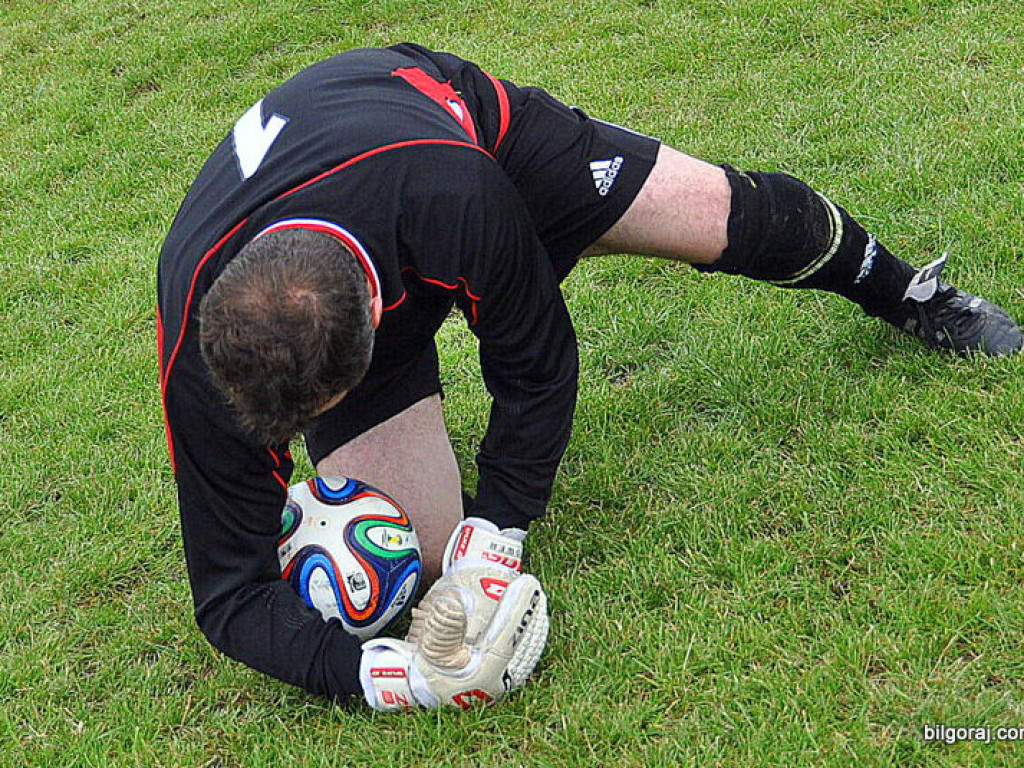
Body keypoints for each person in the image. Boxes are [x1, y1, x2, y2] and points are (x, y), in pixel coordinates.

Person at [157, 43, 1021, 711]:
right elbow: (230, 595)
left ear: (363, 352)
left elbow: (535, 366)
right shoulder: (205, 334)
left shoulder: (451, 190)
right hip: (353, 234)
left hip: (445, 134)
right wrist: (386, 675)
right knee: (415, 566)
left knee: (715, 215)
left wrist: (498, 533)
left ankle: (911, 294)